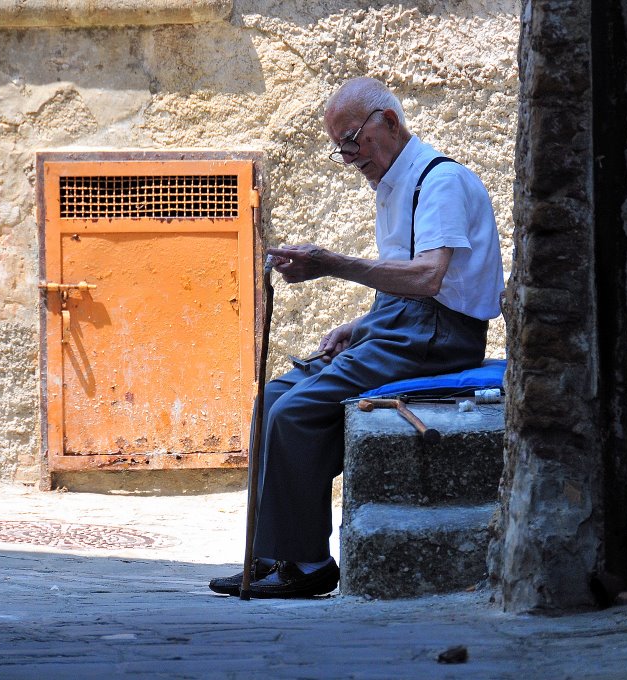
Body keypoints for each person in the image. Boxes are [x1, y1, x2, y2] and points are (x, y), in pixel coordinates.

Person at [209, 77, 504, 598]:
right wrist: (360, 326)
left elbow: (429, 279)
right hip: (403, 328)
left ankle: (309, 564)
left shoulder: (440, 182)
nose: (347, 157)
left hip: (437, 338)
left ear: (388, 122)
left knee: (295, 412)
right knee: (272, 398)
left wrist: (330, 263)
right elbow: (401, 286)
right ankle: (273, 554)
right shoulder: (393, 185)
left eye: (352, 140)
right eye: (339, 147)